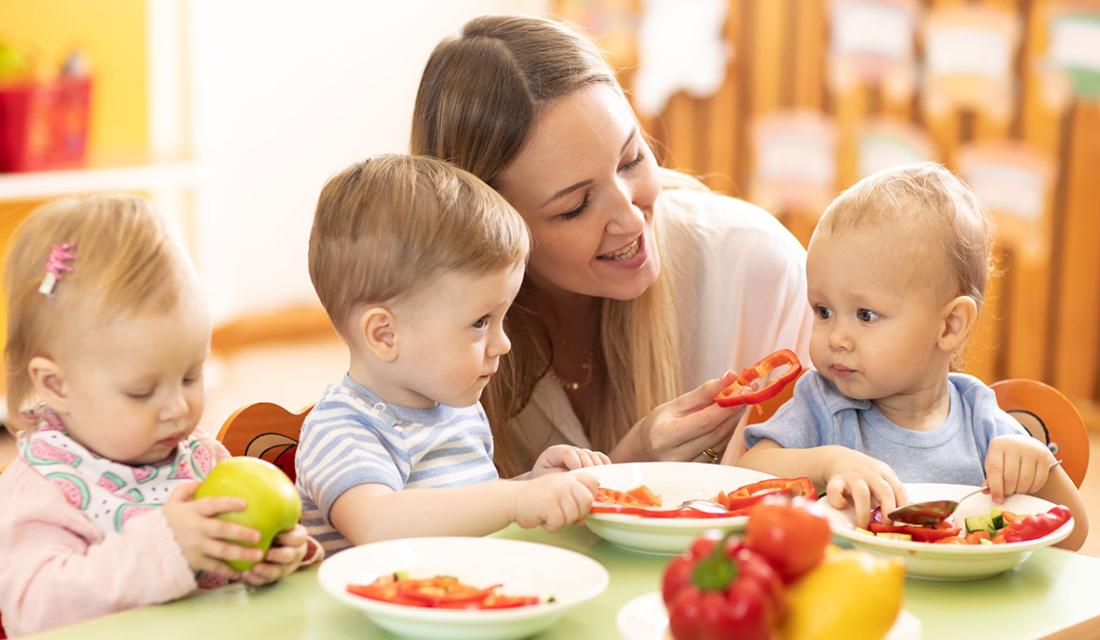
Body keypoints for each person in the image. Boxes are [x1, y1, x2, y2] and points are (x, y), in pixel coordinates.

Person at [410, 15, 813, 478]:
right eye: (576, 206)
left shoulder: (754, 267)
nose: (629, 218)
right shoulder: (437, 336)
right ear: (488, 224)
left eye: (632, 159)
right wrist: (631, 464)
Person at [0, 195, 315, 636]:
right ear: (56, 385)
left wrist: (278, 555)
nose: (178, 408)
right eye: (142, 391)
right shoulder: (46, 487)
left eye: (190, 376)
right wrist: (165, 548)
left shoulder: (202, 459)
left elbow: (238, 584)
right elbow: (31, 612)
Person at [737, 163, 1088, 550]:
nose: (836, 337)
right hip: (854, 597)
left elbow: (1073, 537)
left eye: (865, 315)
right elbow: (747, 473)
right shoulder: (823, 402)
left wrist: (1038, 465)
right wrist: (827, 463)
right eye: (823, 311)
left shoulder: (980, 415)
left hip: (964, 602)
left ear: (950, 325)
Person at [297, 154, 608, 555]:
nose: (504, 343)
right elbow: (378, 524)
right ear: (384, 334)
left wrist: (530, 485)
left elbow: (461, 512)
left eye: (502, 317)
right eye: (480, 322)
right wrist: (511, 501)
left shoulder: (455, 410)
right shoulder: (343, 428)